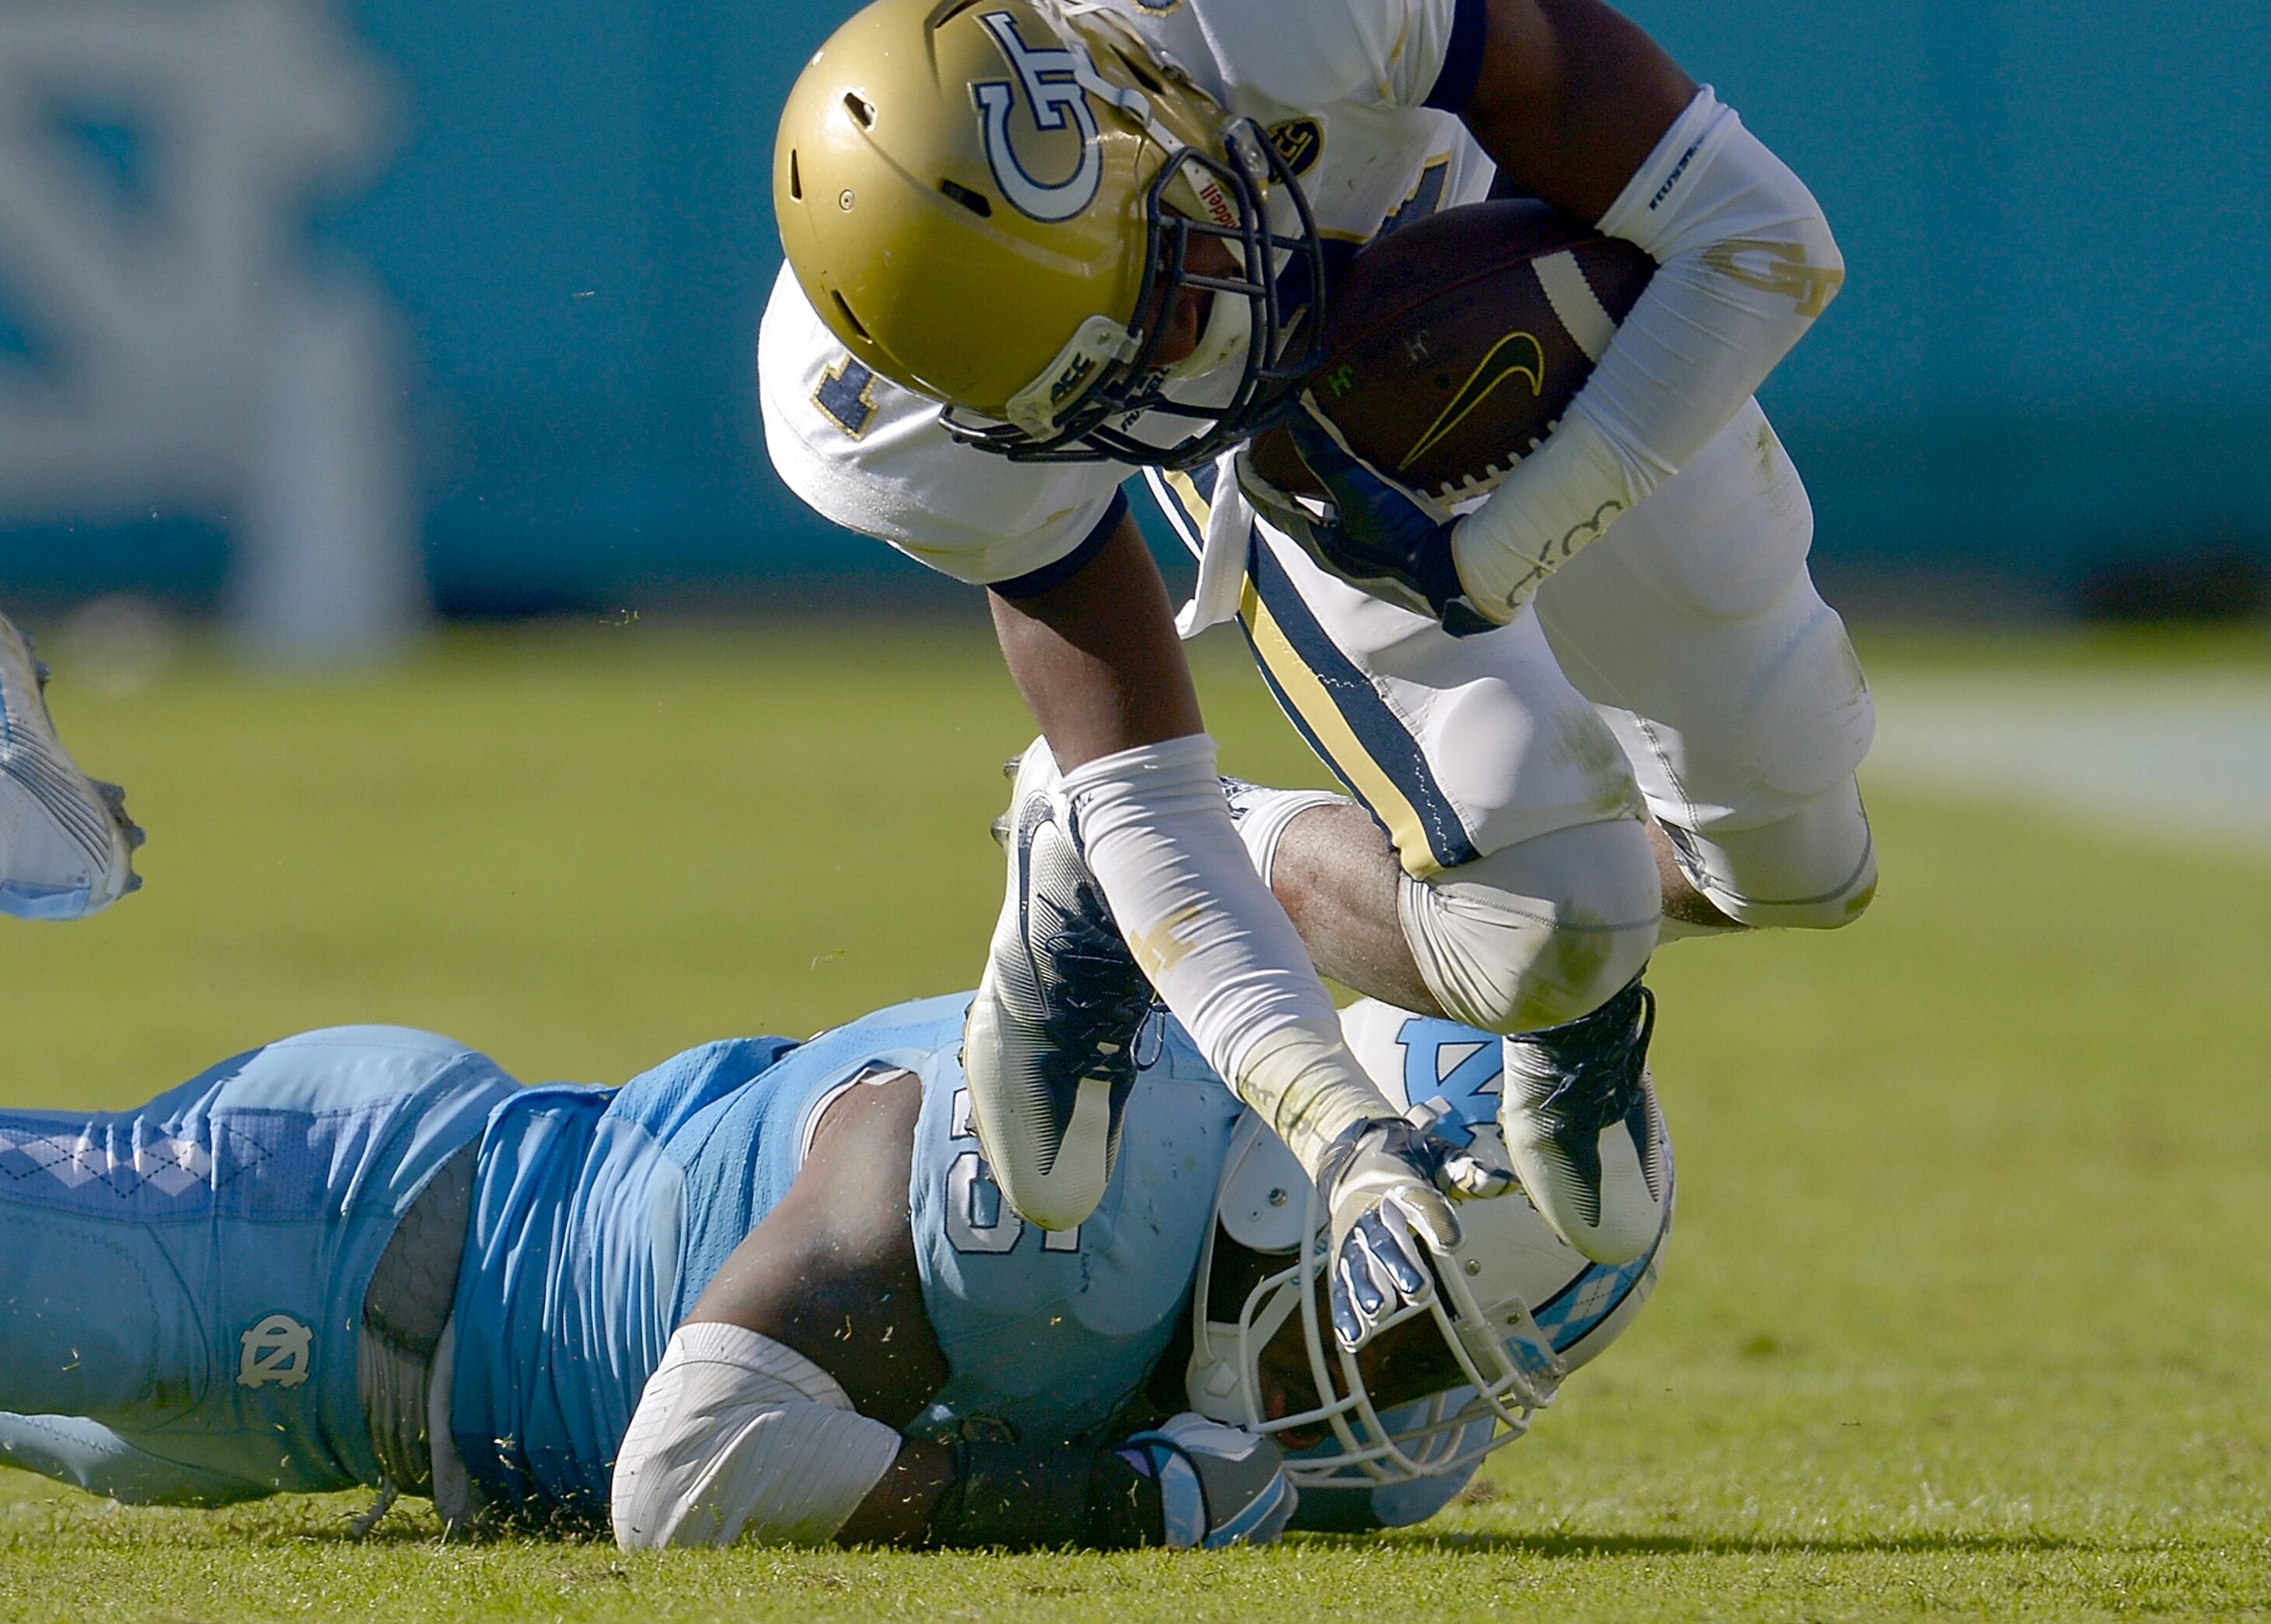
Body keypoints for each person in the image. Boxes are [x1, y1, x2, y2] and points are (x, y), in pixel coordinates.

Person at [0, 375, 1664, 1548]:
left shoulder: (1370, 1411)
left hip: (342, 1404)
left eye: (1447, 1342)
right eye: (1412, 1298)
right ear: (1296, 1161)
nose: (1396, 1385)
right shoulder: (1048, 1199)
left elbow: (1277, 939)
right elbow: (699, 1465)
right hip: (337, 1234)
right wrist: (1103, 1504)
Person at [764, 0, 1871, 1289]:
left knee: (1801, 867)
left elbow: (1760, 240)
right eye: (1101, 384)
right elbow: (1144, 780)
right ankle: (1119, 874)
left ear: (1141, 102)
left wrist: (1488, 557)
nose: (1183, 367)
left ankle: (1574, 952)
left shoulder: (1273, 20)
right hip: (1302, 452)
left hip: (1536, 308)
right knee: (1556, 925)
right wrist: (1330, 1119)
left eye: (1166, 289)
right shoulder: (885, 413)